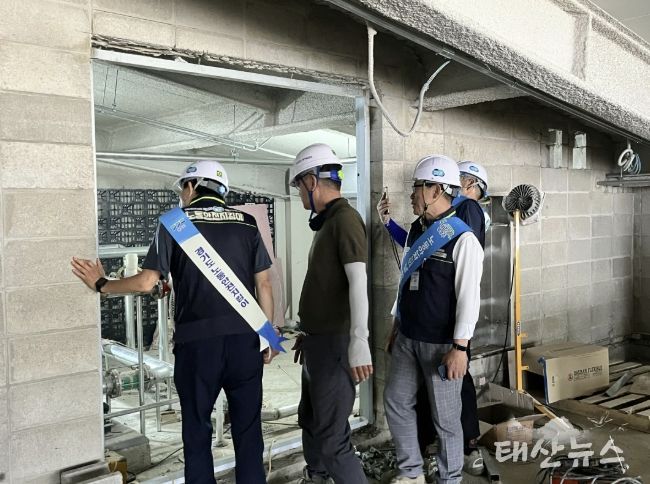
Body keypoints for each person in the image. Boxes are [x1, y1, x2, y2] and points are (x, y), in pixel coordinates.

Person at [71, 160, 278, 484]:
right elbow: (264, 284)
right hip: (245, 342)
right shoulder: (247, 223)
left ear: (192, 186)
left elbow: (146, 283)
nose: (182, 195)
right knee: (249, 433)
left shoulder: (174, 223)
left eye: (183, 189)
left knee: (197, 433)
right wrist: (269, 337)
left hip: (198, 346)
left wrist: (102, 284)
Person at [378, 160, 490, 476]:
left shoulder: (463, 238)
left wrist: (460, 348)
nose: (411, 194)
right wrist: (395, 325)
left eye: (416, 187)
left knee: (446, 420)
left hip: (441, 345)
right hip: (407, 337)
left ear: (436, 189)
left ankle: (449, 477)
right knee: (396, 401)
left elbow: (469, 297)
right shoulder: (417, 229)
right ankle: (411, 472)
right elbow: (405, 280)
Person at [289, 143, 373, 484]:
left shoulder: (345, 220)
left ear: (312, 181)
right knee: (310, 421)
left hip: (336, 346)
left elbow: (358, 281)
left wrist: (359, 340)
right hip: (317, 343)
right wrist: (308, 332)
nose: (299, 192)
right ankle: (317, 477)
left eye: (299, 185)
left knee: (332, 437)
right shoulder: (328, 222)